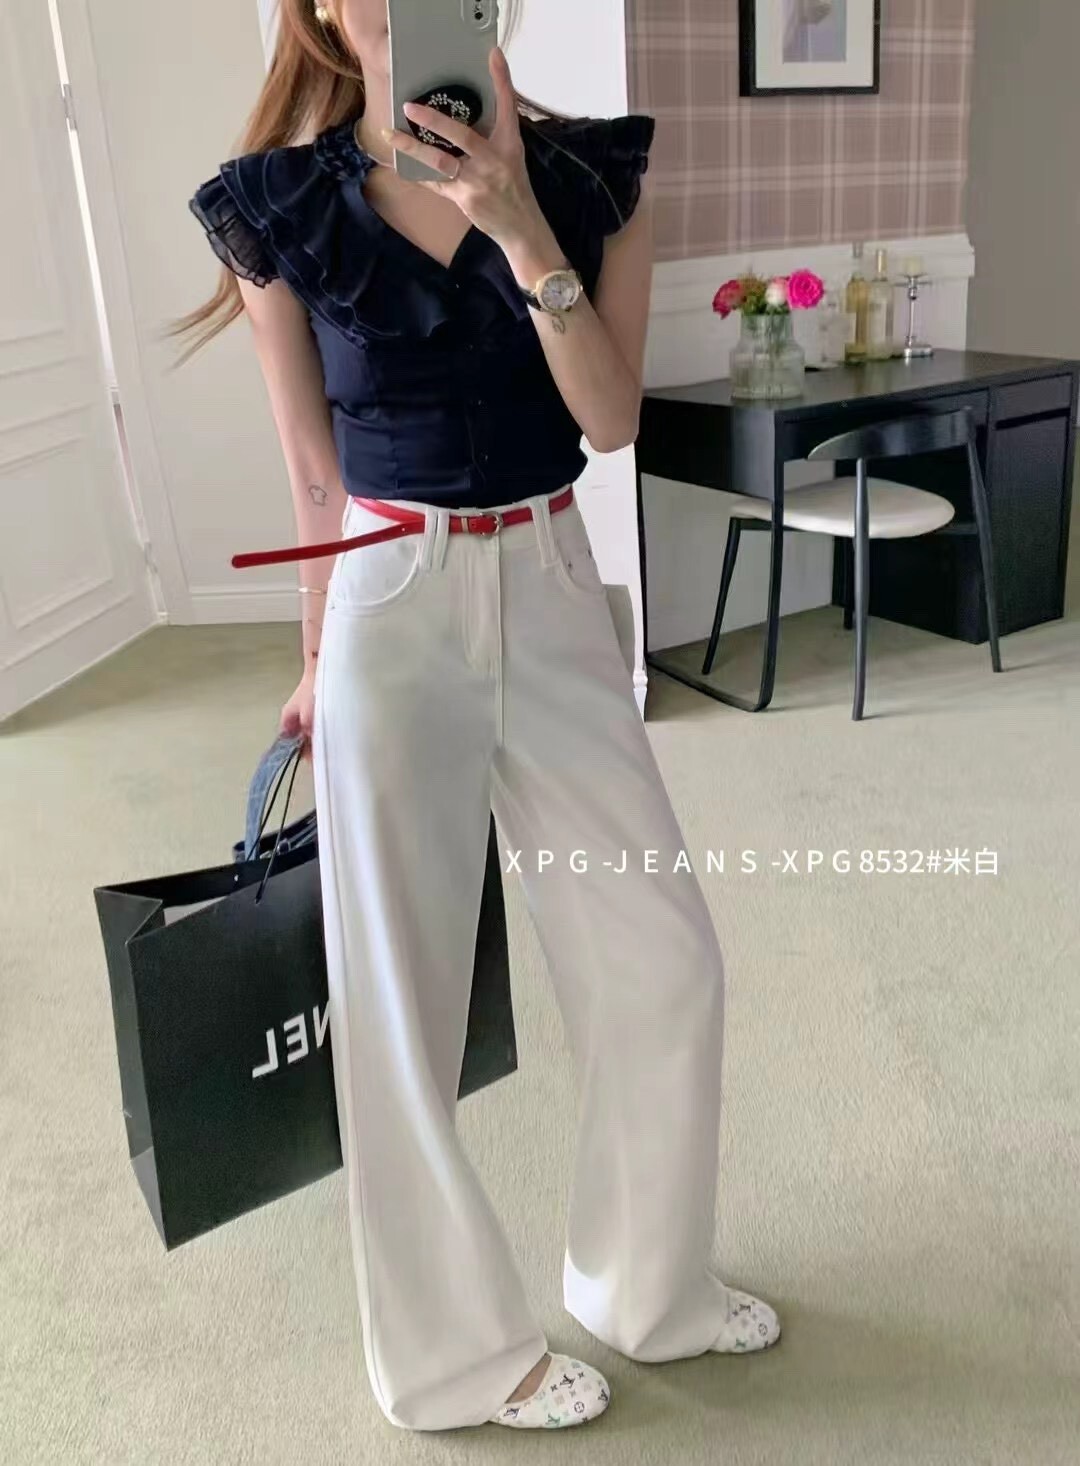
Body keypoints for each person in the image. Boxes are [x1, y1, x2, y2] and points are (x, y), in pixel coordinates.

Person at [177, 0, 781, 1436]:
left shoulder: (590, 177)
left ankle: (645, 1288)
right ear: (328, 9)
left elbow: (613, 420)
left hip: (556, 579)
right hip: (390, 597)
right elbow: (313, 476)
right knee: (401, 999)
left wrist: (516, 225)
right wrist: (315, 657)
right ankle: (454, 1359)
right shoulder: (276, 208)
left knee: (665, 958)